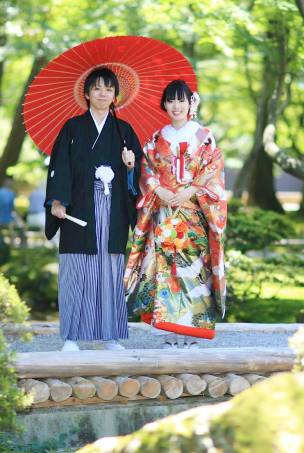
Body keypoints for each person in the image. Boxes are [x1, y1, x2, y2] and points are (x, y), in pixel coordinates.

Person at [44, 67, 142, 352]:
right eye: (97, 88)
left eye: (108, 89)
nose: (102, 94)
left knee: (109, 269)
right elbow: (60, 165)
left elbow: (138, 174)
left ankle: (108, 335)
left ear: (115, 96)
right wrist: (58, 200)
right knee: (76, 269)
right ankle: (71, 337)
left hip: (113, 207)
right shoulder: (73, 127)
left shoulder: (124, 131)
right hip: (79, 206)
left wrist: (130, 165)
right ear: (86, 93)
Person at [124, 80, 227, 349]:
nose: (176, 106)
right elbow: (146, 170)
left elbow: (213, 168)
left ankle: (192, 334)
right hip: (164, 213)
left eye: (181, 100)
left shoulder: (204, 136)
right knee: (165, 269)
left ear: (191, 103)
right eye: (170, 101)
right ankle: (168, 334)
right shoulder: (155, 139)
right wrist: (158, 189)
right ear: (164, 105)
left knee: (194, 271)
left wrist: (191, 190)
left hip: (193, 214)